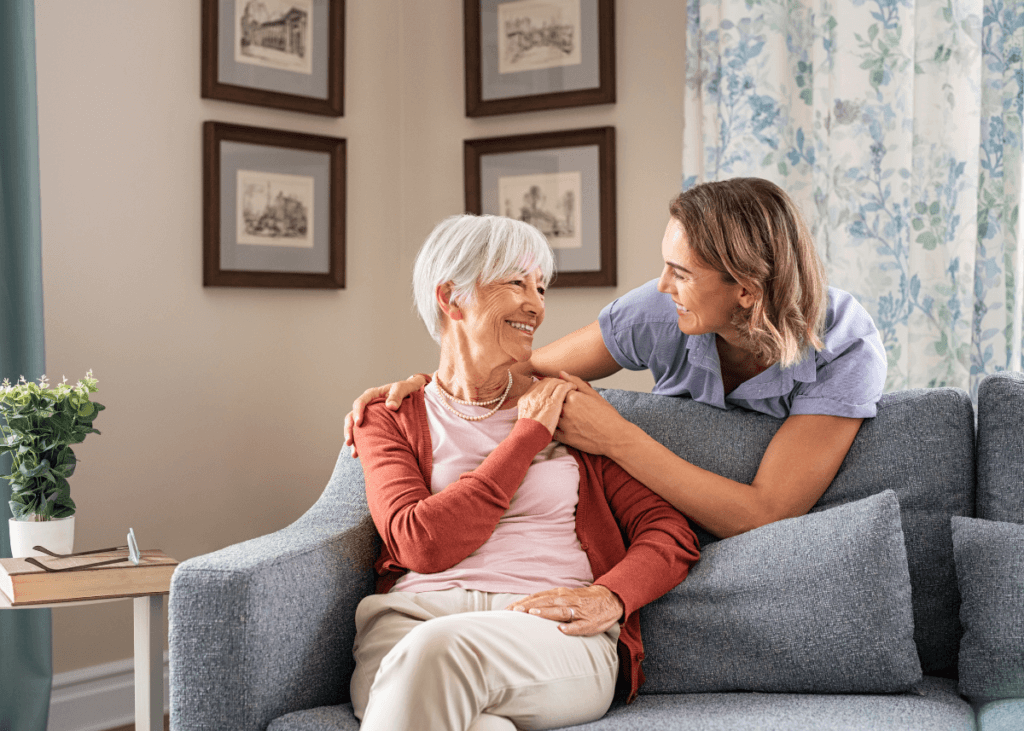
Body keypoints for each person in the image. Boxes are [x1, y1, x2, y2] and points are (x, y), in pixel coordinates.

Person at [347, 177, 887, 540]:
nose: (661, 284)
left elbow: (767, 513)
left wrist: (614, 436)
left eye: (682, 273)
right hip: (657, 526)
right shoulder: (659, 311)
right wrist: (428, 386)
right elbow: (517, 373)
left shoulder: (844, 345)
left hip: (758, 543)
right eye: (665, 264)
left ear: (746, 290)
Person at [350, 214, 700, 731]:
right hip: (411, 624)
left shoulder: (571, 408)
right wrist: (526, 438)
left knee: (439, 654)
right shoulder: (390, 415)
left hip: (547, 630)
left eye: (540, 287)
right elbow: (421, 545)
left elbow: (670, 533)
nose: (536, 305)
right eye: (516, 282)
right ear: (452, 298)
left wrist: (610, 596)